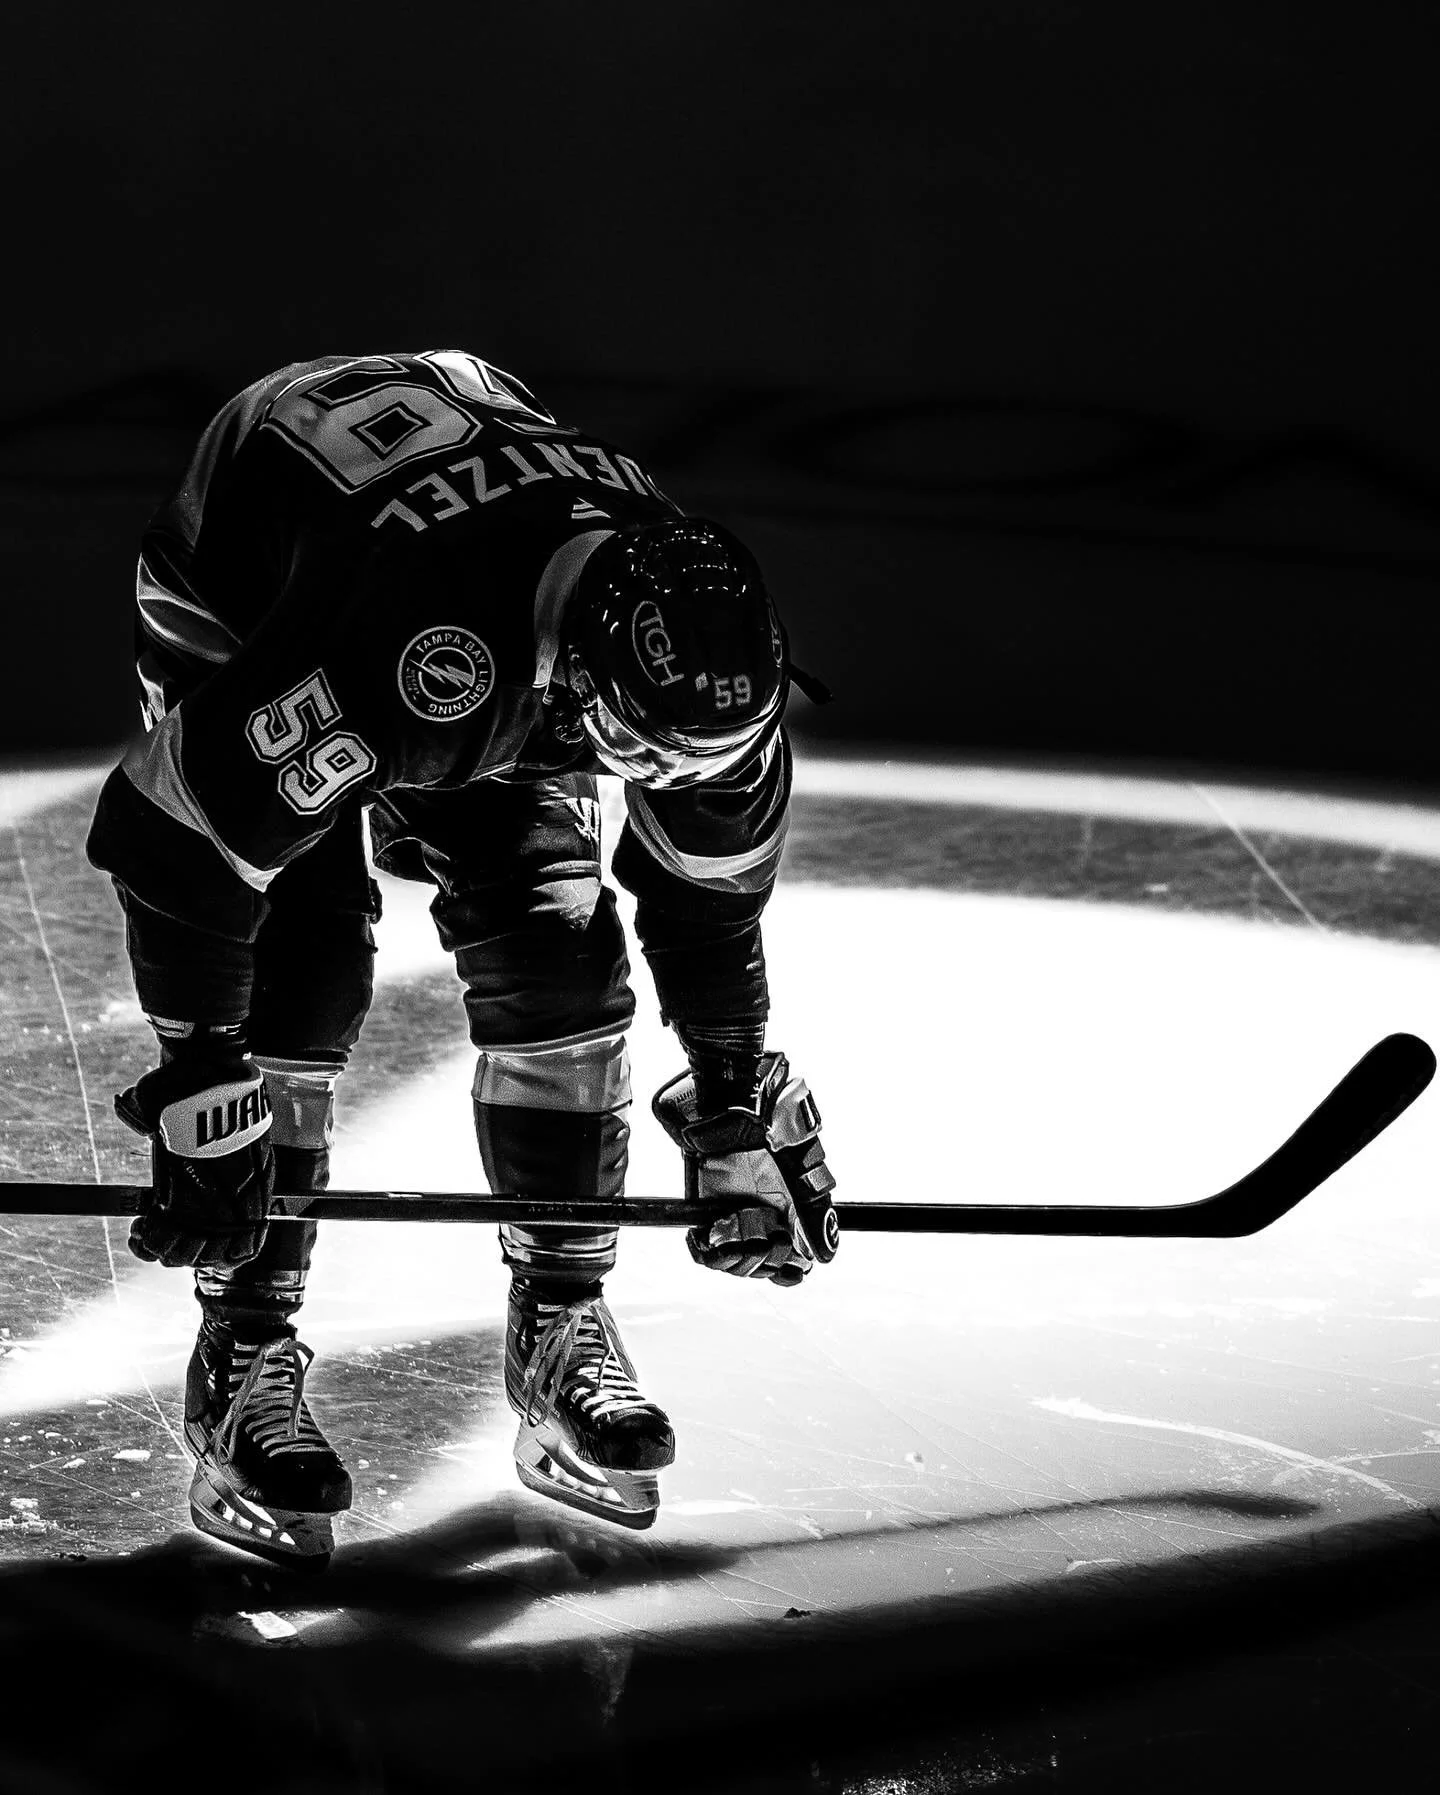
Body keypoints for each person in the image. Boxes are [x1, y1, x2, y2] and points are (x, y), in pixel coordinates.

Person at [86, 350, 837, 1565]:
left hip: (483, 596)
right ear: (578, 682)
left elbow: (705, 907)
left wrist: (739, 1091)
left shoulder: (712, 687)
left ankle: (562, 1316)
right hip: (253, 589)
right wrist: (199, 1077)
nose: (661, 794)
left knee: (562, 960)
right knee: (300, 970)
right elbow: (174, 837)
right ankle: (243, 1347)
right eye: (631, 762)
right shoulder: (410, 649)